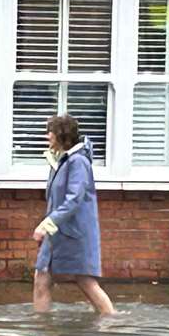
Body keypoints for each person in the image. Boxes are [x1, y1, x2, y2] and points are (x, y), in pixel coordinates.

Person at [33, 114, 117, 316]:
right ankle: (41, 329)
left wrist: (46, 224)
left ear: (61, 135)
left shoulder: (78, 162)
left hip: (75, 232)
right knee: (41, 277)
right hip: (57, 232)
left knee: (85, 280)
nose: (47, 137)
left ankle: (111, 321)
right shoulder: (62, 161)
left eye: (50, 132)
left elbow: (74, 199)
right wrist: (48, 227)